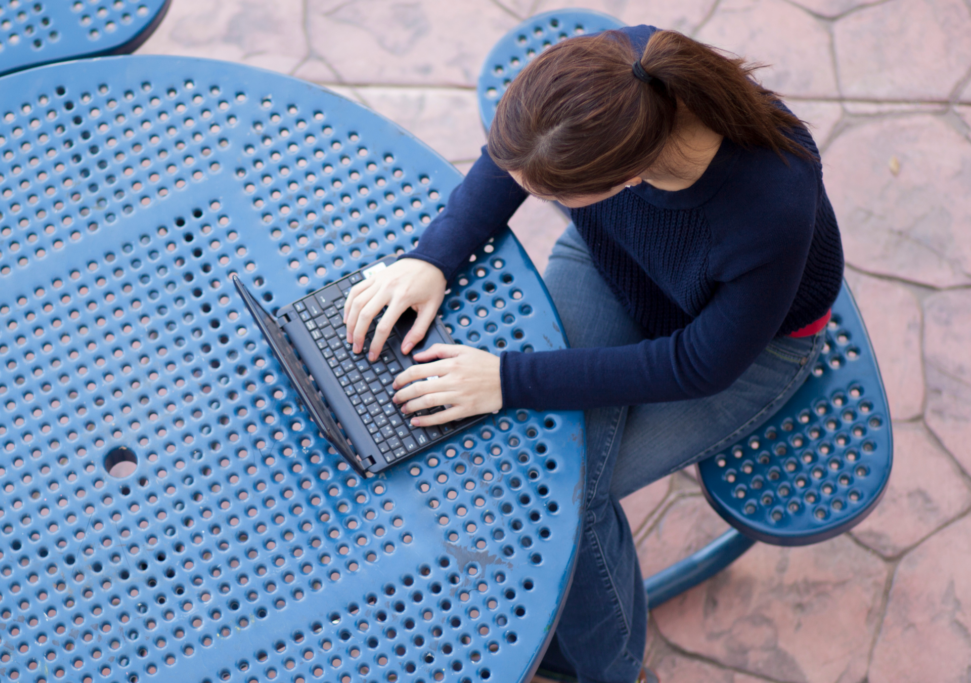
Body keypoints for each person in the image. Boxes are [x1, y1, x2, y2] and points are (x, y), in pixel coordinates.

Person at [343, 24, 843, 683]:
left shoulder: (770, 199)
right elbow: (512, 156)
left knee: (566, 500)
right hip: (616, 268)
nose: (527, 190)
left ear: (627, 180)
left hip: (749, 354)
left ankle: (614, 670)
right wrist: (434, 256)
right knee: (529, 475)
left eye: (549, 192)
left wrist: (505, 378)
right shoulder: (620, 70)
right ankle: (561, 633)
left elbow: (698, 365)